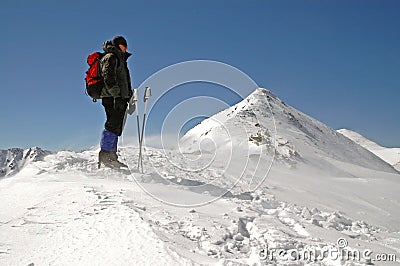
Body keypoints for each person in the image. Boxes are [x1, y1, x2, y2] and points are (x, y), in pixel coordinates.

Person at [98, 36, 133, 168]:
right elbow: (109, 78)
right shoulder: (111, 57)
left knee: (117, 126)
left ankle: (112, 156)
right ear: (118, 45)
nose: (126, 48)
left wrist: (126, 95)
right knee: (112, 124)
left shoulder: (120, 58)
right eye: (124, 45)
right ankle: (105, 155)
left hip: (119, 98)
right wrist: (117, 95)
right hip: (112, 97)